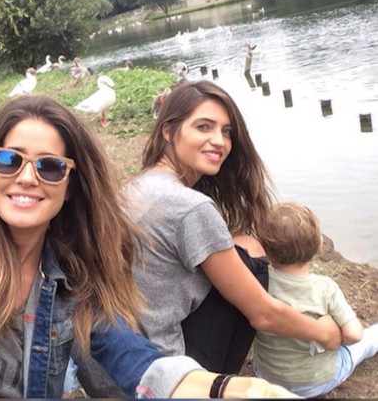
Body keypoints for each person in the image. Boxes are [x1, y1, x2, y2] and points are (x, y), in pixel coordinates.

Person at [0, 95, 296, 399]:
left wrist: (221, 388)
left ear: (72, 184)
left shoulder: (73, 282)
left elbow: (137, 360)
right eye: (9, 160)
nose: (27, 178)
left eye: (50, 167)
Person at [125, 80, 342, 375]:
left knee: (242, 244)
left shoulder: (142, 183)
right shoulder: (190, 206)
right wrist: (324, 334)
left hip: (118, 358)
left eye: (226, 131)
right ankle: (217, 383)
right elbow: (263, 314)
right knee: (252, 257)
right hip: (157, 373)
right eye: (203, 127)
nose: (220, 141)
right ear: (168, 131)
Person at [252, 201, 378, 397]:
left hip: (267, 378)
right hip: (316, 383)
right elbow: (354, 335)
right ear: (319, 245)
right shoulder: (326, 288)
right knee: (369, 339)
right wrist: (333, 336)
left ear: (265, 249)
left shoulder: (257, 282)